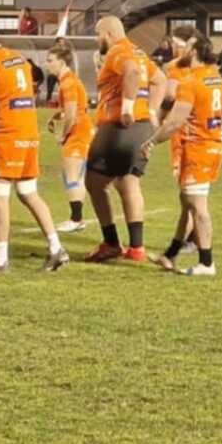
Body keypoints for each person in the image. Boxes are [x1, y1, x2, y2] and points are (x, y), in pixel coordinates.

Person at [0, 23, 67, 272]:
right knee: (28, 192)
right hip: (30, 132)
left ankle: (1, 261)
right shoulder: (18, 58)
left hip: (8, 134)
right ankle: (56, 248)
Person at [84, 16, 166, 264]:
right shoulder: (139, 51)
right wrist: (151, 111)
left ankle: (110, 243)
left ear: (108, 33)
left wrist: (128, 107)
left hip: (119, 127)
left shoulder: (118, 51)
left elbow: (130, 72)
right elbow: (159, 80)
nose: (97, 40)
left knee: (94, 182)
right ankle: (137, 248)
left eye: (98, 35)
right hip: (143, 128)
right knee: (128, 182)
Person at [149, 33, 222, 276]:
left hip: (197, 148)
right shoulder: (218, 81)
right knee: (188, 202)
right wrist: (219, 135)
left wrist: (151, 142)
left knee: (197, 205)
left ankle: (206, 262)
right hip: (212, 145)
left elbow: (174, 122)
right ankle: (170, 255)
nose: (182, 51)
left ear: (194, 52)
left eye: (187, 48)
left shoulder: (191, 83)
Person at [44, 41, 94, 235]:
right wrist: (55, 116)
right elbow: (74, 109)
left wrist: (63, 135)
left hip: (78, 133)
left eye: (51, 61)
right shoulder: (70, 80)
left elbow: (72, 113)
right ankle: (77, 217)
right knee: (76, 176)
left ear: (62, 63)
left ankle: (76, 219)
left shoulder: (67, 83)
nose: (47, 64)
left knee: (71, 176)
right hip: (83, 130)